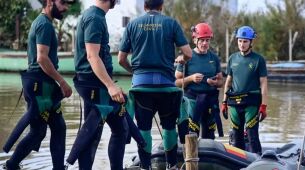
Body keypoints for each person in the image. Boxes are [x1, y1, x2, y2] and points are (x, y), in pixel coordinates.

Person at [118, 0, 192, 169]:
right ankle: (172, 166)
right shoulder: (171, 23)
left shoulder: (133, 25)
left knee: (143, 128)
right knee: (168, 128)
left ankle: (145, 167)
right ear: (161, 6)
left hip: (141, 88)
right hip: (166, 87)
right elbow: (188, 53)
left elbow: (121, 59)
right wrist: (182, 59)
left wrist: (134, 72)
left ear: (145, 7)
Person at [2, 0, 73, 169]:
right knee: (46, 130)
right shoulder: (44, 25)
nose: (66, 8)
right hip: (41, 87)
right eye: (63, 3)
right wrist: (62, 82)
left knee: (47, 130)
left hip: (39, 84)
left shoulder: (43, 23)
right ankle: (12, 164)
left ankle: (13, 164)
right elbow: (42, 58)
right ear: (49, 2)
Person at [65, 0, 129, 169]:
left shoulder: (95, 15)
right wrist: (110, 86)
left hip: (94, 82)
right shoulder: (94, 18)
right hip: (95, 84)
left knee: (110, 130)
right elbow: (92, 56)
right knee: (117, 130)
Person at [221, 26, 268, 154]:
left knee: (252, 137)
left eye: (245, 41)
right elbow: (228, 82)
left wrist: (263, 105)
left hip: (252, 103)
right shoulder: (232, 58)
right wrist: (224, 102)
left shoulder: (259, 60)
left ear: (251, 42)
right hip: (234, 103)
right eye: (240, 41)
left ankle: (257, 163)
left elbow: (263, 83)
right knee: (236, 137)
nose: (242, 44)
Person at [175, 23, 223, 139]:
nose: (205, 43)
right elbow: (177, 82)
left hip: (210, 100)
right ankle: (190, 154)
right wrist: (191, 78)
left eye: (207, 40)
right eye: (202, 40)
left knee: (209, 136)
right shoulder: (187, 56)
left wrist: (215, 83)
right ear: (194, 39)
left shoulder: (214, 58)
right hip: (192, 100)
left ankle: (208, 155)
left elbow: (221, 82)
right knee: (192, 134)